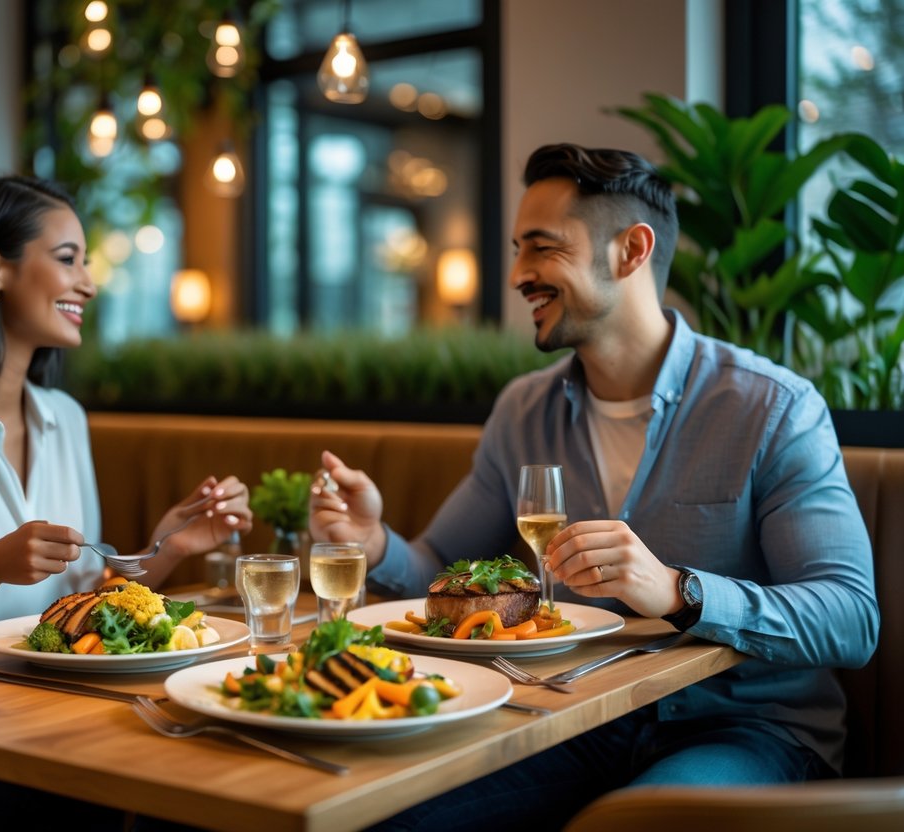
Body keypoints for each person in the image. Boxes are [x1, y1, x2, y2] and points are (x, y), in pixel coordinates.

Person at [309, 143, 880, 829]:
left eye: (542, 249)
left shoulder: (770, 407)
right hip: (570, 724)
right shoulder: (522, 410)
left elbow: (850, 618)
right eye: (519, 249)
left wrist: (679, 590)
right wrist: (372, 543)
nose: (518, 274)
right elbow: (435, 575)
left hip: (746, 730)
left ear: (630, 251)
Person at [0, 175, 251, 830]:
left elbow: (80, 606)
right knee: (136, 809)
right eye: (68, 259)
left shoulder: (64, 417)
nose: (88, 283)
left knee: (212, 773)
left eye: (85, 262)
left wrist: (169, 546)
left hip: (41, 725)